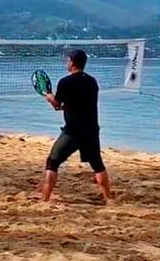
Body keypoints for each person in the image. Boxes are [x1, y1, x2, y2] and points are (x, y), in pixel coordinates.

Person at [42, 48, 112, 203]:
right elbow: (80, 103)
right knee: (98, 165)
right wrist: (63, 105)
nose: (66, 63)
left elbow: (57, 104)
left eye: (68, 60)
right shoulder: (92, 81)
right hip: (91, 130)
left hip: (72, 132)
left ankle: (45, 200)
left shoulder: (65, 82)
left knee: (52, 163)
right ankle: (109, 198)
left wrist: (49, 97)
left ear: (72, 63)